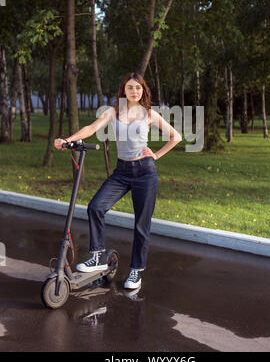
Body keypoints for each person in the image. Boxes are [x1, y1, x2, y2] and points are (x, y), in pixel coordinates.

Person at [54, 72, 182, 289]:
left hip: (145, 172)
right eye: (130, 87)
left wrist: (156, 155)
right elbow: (91, 129)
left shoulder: (150, 114)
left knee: (141, 224)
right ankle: (96, 256)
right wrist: (68, 140)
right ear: (124, 90)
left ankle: (135, 271)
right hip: (122, 171)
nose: (134, 91)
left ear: (143, 90)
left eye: (138, 88)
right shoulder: (113, 112)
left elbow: (175, 136)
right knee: (96, 207)